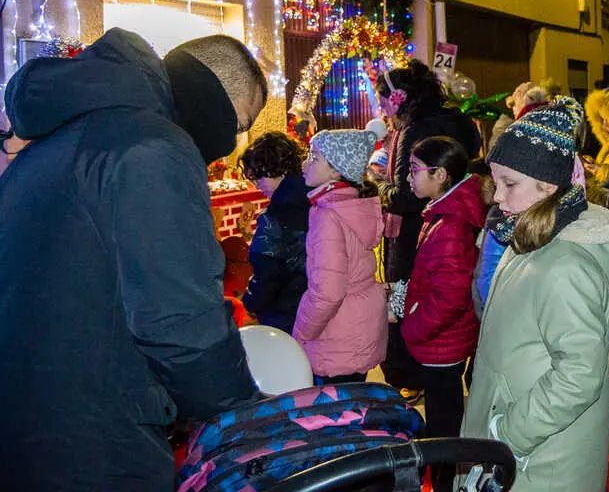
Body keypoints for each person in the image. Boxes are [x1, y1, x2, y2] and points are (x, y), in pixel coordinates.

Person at [0, 29, 266, 491]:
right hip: (93, 440)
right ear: (217, 98)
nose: (232, 144)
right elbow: (182, 325)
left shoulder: (67, 135)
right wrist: (249, 418)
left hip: (30, 424)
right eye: (240, 125)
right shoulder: (153, 148)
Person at [460, 98, 609, 492]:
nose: (497, 197)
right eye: (495, 182)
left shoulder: (566, 265)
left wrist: (510, 433)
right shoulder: (529, 242)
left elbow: (580, 373)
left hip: (540, 460)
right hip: (516, 448)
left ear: (549, 185)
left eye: (510, 184)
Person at [375, 59, 481, 391]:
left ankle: (406, 377)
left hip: (411, 232)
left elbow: (405, 197)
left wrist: (378, 186)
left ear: (399, 98)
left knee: (403, 299)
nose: (379, 107)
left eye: (381, 99)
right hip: (446, 216)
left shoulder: (412, 129)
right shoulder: (457, 118)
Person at [399, 136, 484, 492]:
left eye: (416, 170)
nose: (408, 178)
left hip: (441, 343)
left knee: (443, 423)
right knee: (443, 415)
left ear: (442, 175)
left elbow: (449, 297)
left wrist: (413, 327)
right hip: (440, 340)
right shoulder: (441, 213)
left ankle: (447, 483)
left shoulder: (450, 225)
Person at [294, 129, 387, 385]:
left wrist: (301, 332)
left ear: (337, 171)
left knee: (333, 416)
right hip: (357, 326)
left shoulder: (329, 215)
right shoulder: (353, 205)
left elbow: (328, 292)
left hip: (337, 334)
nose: (304, 164)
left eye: (314, 158)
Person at [239, 131, 311, 333]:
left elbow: (267, 271)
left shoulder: (275, 215)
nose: (256, 185)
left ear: (275, 170)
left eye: (258, 177)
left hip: (284, 314)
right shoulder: (316, 196)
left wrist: (250, 301)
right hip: (315, 309)